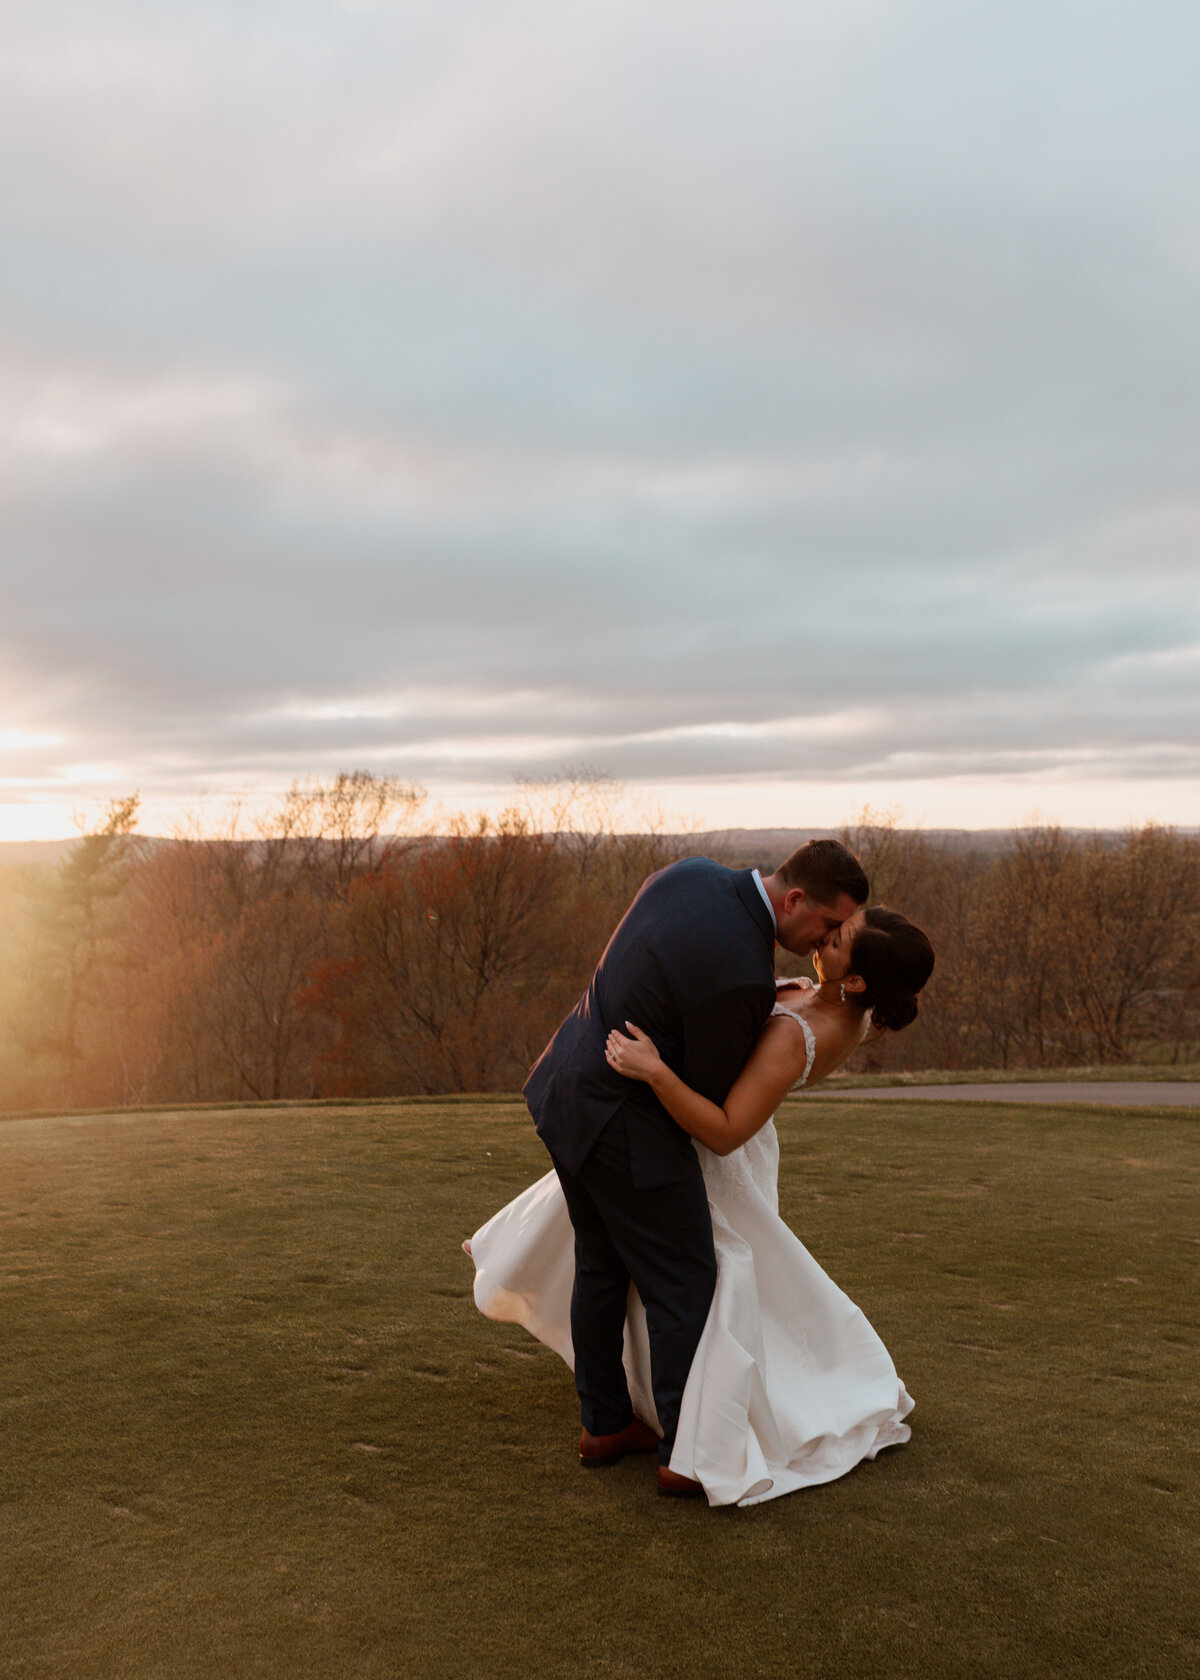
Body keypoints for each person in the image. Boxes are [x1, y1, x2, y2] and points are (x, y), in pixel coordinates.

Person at [466, 904, 935, 1507]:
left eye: (839, 938)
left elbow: (723, 1129)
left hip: (714, 1154)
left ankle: (684, 1435)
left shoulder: (806, 1033)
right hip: (677, 1137)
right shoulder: (826, 995)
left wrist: (656, 1071)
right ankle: (630, 1414)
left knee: (703, 1285)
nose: (824, 935)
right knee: (620, 1259)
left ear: (858, 981)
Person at [520, 841, 870, 1496]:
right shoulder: (741, 970)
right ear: (795, 900)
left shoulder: (692, 875)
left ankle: (605, 1425)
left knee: (601, 1265)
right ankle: (683, 1456)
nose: (824, 940)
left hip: (564, 1086)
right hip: (622, 1125)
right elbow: (710, 1103)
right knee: (684, 1281)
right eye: (825, 924)